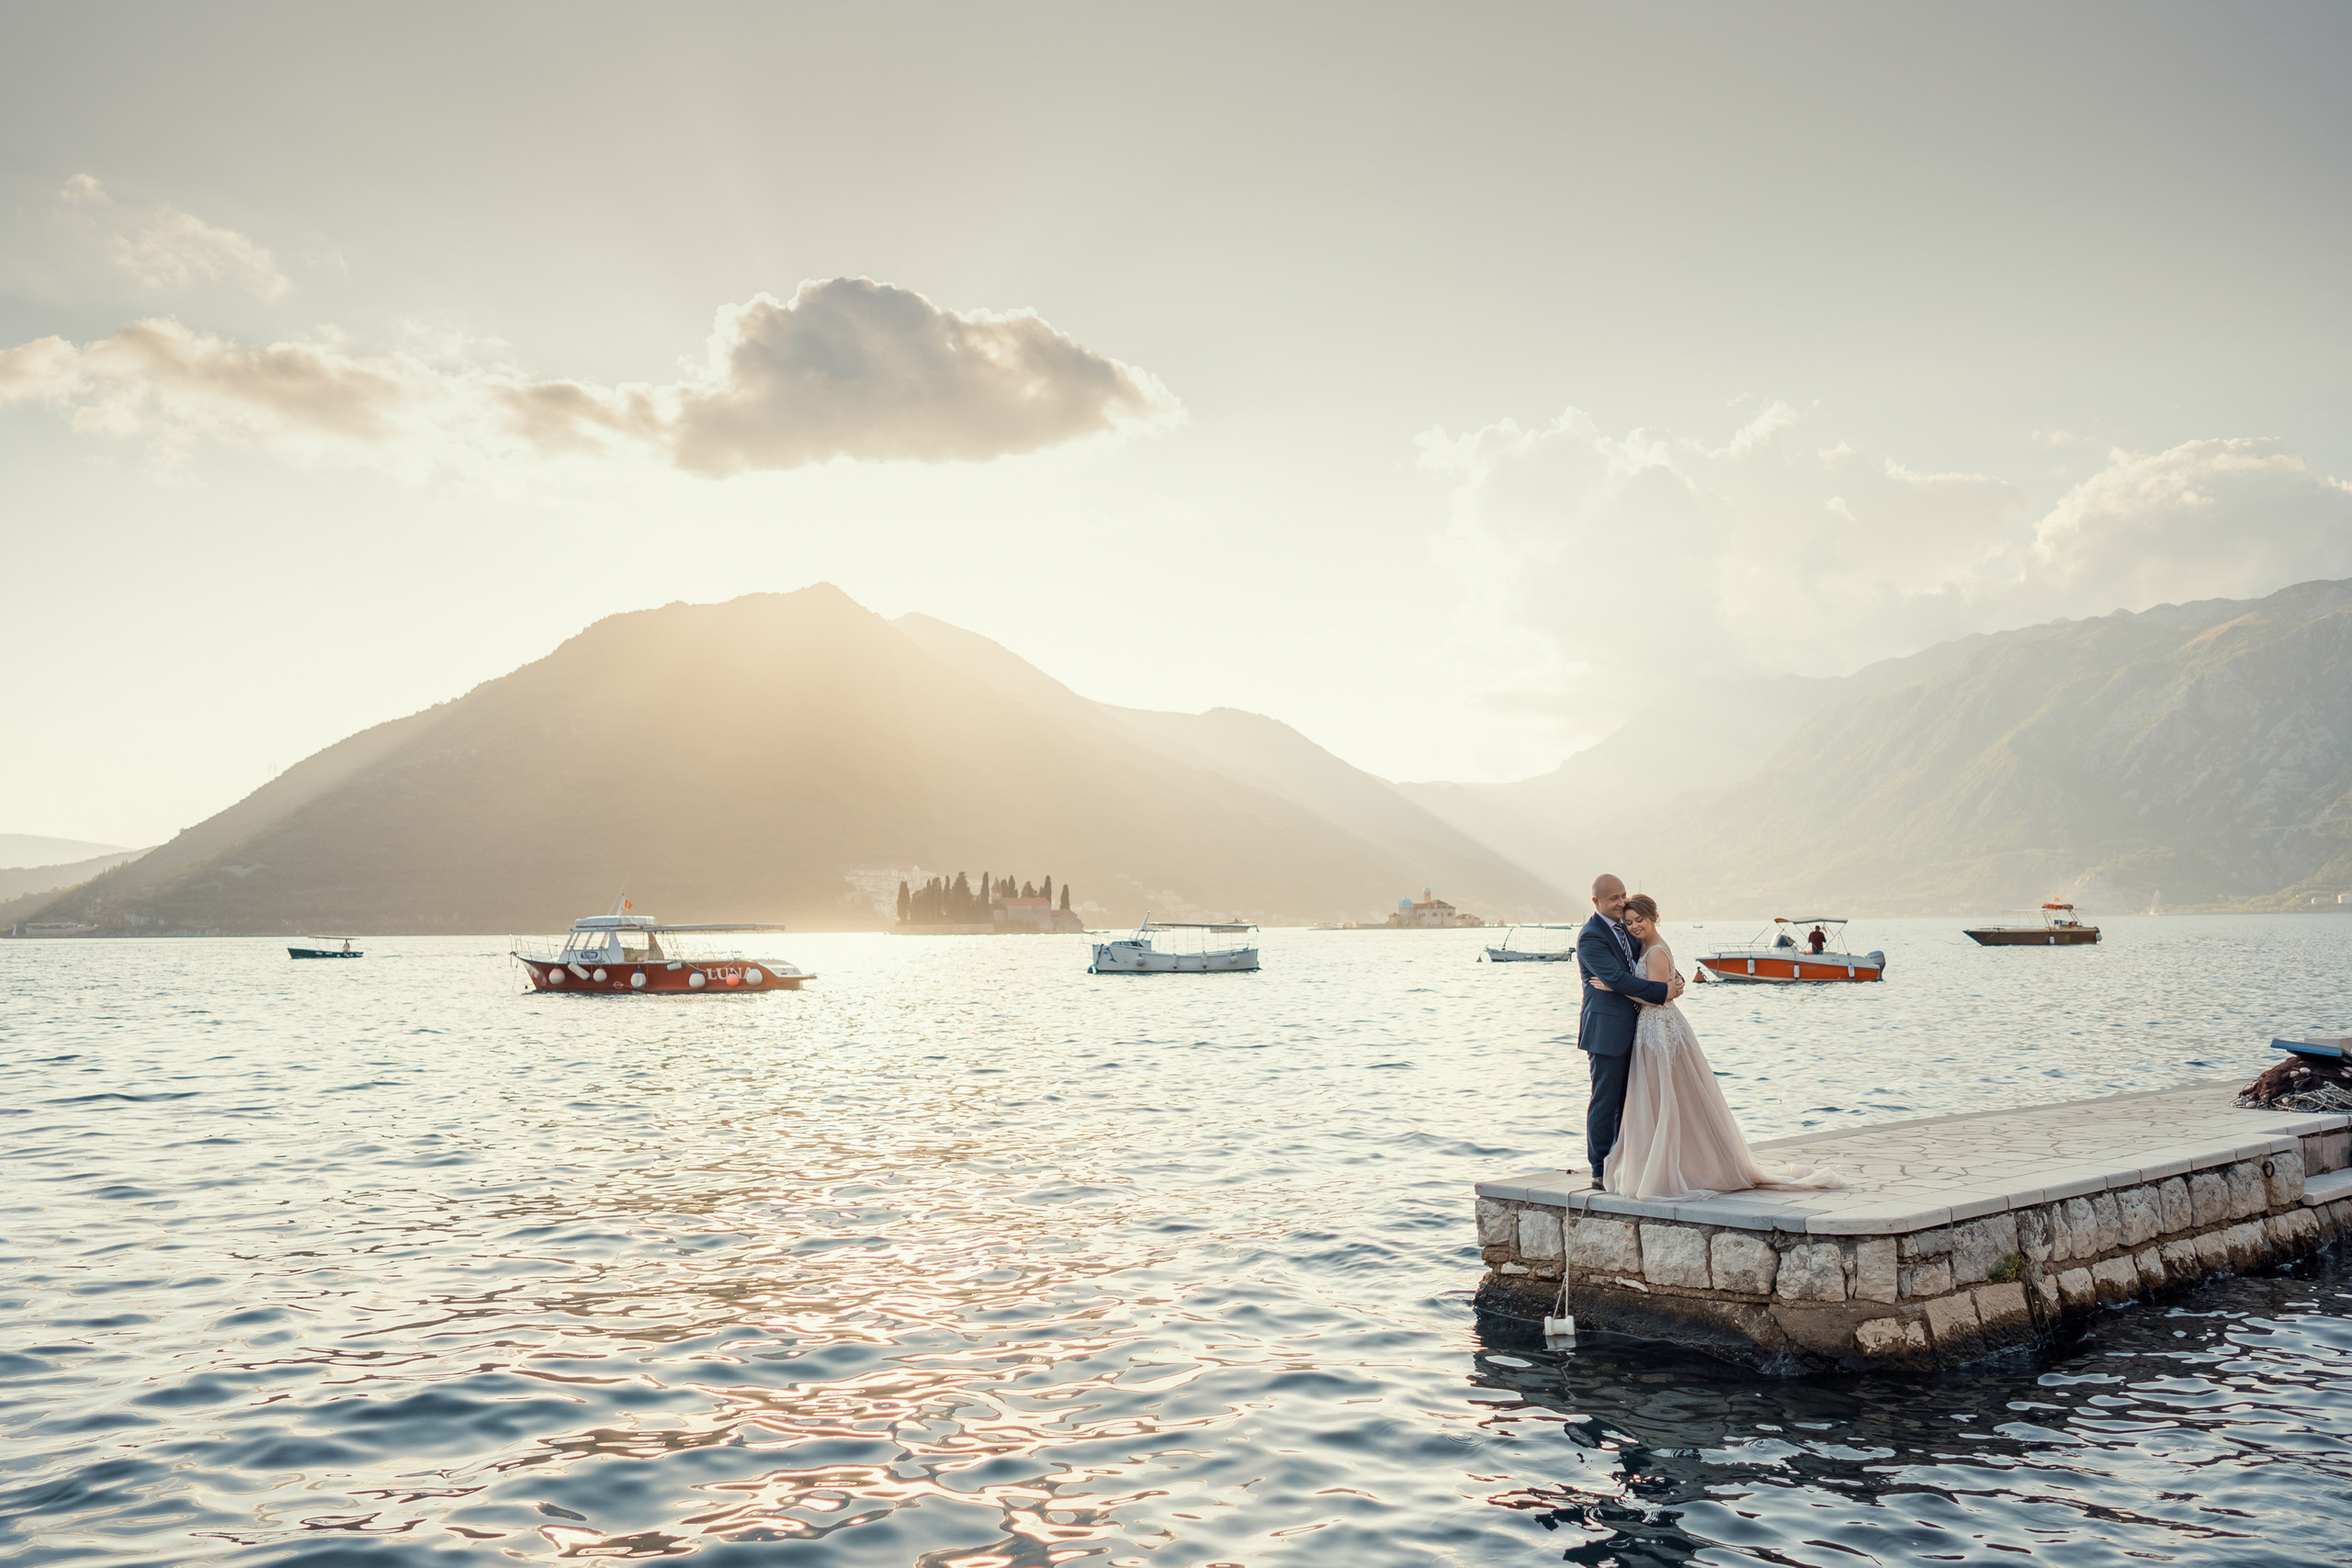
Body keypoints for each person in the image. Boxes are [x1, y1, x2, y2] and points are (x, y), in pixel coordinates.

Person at [1587, 894, 1845, 1201]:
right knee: (1659, 1099)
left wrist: (1621, 986)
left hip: (1659, 1028)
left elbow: (1658, 992)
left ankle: (1675, 1166)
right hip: (1648, 1029)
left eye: (1639, 920)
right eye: (1629, 922)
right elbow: (1658, 984)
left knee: (1669, 1098)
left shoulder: (1652, 949)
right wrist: (1667, 983)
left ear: (1653, 918)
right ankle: (1650, 1163)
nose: (1633, 926)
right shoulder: (1625, 941)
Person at [1575, 874, 1679, 1189]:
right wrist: (1662, 993)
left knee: (1633, 1100)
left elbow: (1648, 960)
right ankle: (1600, 1170)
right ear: (1596, 902)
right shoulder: (1591, 937)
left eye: (1623, 895)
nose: (1621, 902)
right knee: (1607, 1100)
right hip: (1606, 1030)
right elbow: (1618, 979)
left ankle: (1627, 1165)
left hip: (1641, 1027)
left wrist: (1674, 979)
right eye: (1613, 899)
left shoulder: (1629, 928)